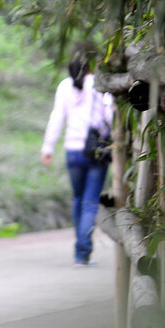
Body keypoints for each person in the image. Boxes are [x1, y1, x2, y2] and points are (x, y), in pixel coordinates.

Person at [40, 52, 114, 266]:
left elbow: (57, 117)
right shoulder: (99, 84)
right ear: (90, 66)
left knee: (78, 199)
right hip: (95, 151)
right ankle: (82, 252)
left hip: (72, 151)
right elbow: (109, 116)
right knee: (90, 202)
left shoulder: (65, 86)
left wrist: (48, 148)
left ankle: (80, 250)